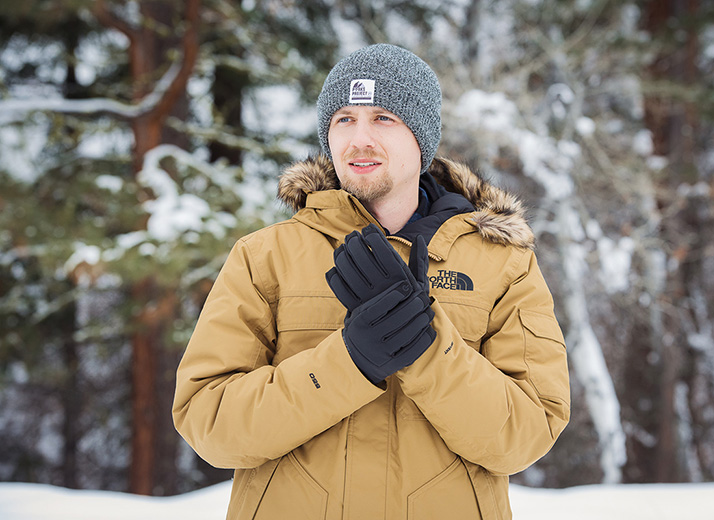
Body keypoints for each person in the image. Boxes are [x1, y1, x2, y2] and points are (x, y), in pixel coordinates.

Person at [172, 43, 570, 519]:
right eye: (344, 119)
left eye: (383, 117)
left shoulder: (503, 265)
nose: (359, 139)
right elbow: (209, 421)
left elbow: (525, 433)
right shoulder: (265, 257)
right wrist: (348, 362)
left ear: (421, 136)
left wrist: (427, 350)